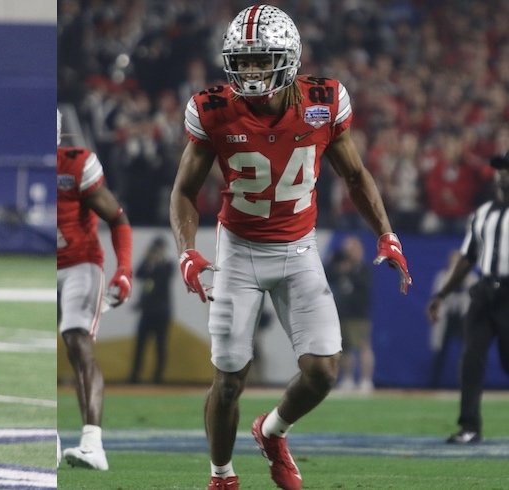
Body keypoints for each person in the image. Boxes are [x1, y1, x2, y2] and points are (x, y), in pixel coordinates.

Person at [169, 6, 412, 489]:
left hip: (299, 248)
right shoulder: (212, 109)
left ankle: (272, 430)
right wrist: (187, 249)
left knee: (323, 372)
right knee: (230, 376)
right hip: (238, 250)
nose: (253, 70)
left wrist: (386, 232)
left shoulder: (324, 100)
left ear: (290, 59)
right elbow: (183, 191)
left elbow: (355, 174)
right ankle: (222, 476)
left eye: (263, 60)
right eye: (245, 60)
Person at [58, 108, 132, 471]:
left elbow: (117, 218)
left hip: (79, 263)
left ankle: (92, 444)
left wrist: (125, 270)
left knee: (78, 343)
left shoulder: (75, 165)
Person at [426, 154, 509, 445]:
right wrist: (442, 294)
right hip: (484, 292)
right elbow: (468, 258)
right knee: (472, 359)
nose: (502, 175)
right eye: (500, 170)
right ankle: (469, 426)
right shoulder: (483, 212)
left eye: (507, 170)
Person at [326, 235, 373, 392]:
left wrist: (350, 270)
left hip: (358, 314)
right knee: (344, 349)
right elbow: (327, 274)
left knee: (363, 346)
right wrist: (336, 263)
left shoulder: (363, 268)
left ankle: (366, 380)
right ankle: (347, 378)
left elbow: (364, 287)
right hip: (342, 312)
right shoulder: (339, 266)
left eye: (351, 249)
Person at [128, 235, 174, 384]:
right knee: (140, 346)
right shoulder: (148, 265)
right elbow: (138, 274)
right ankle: (134, 376)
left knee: (160, 347)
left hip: (161, 313)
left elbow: (161, 282)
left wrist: (157, 262)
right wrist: (148, 260)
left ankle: (158, 378)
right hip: (147, 312)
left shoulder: (168, 265)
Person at [428, 249, 476, 389]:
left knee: (467, 352)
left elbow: (471, 297)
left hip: (463, 318)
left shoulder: (471, 278)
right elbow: (437, 296)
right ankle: (433, 385)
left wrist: (462, 274)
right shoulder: (442, 277)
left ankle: (466, 384)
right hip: (446, 318)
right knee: (440, 352)